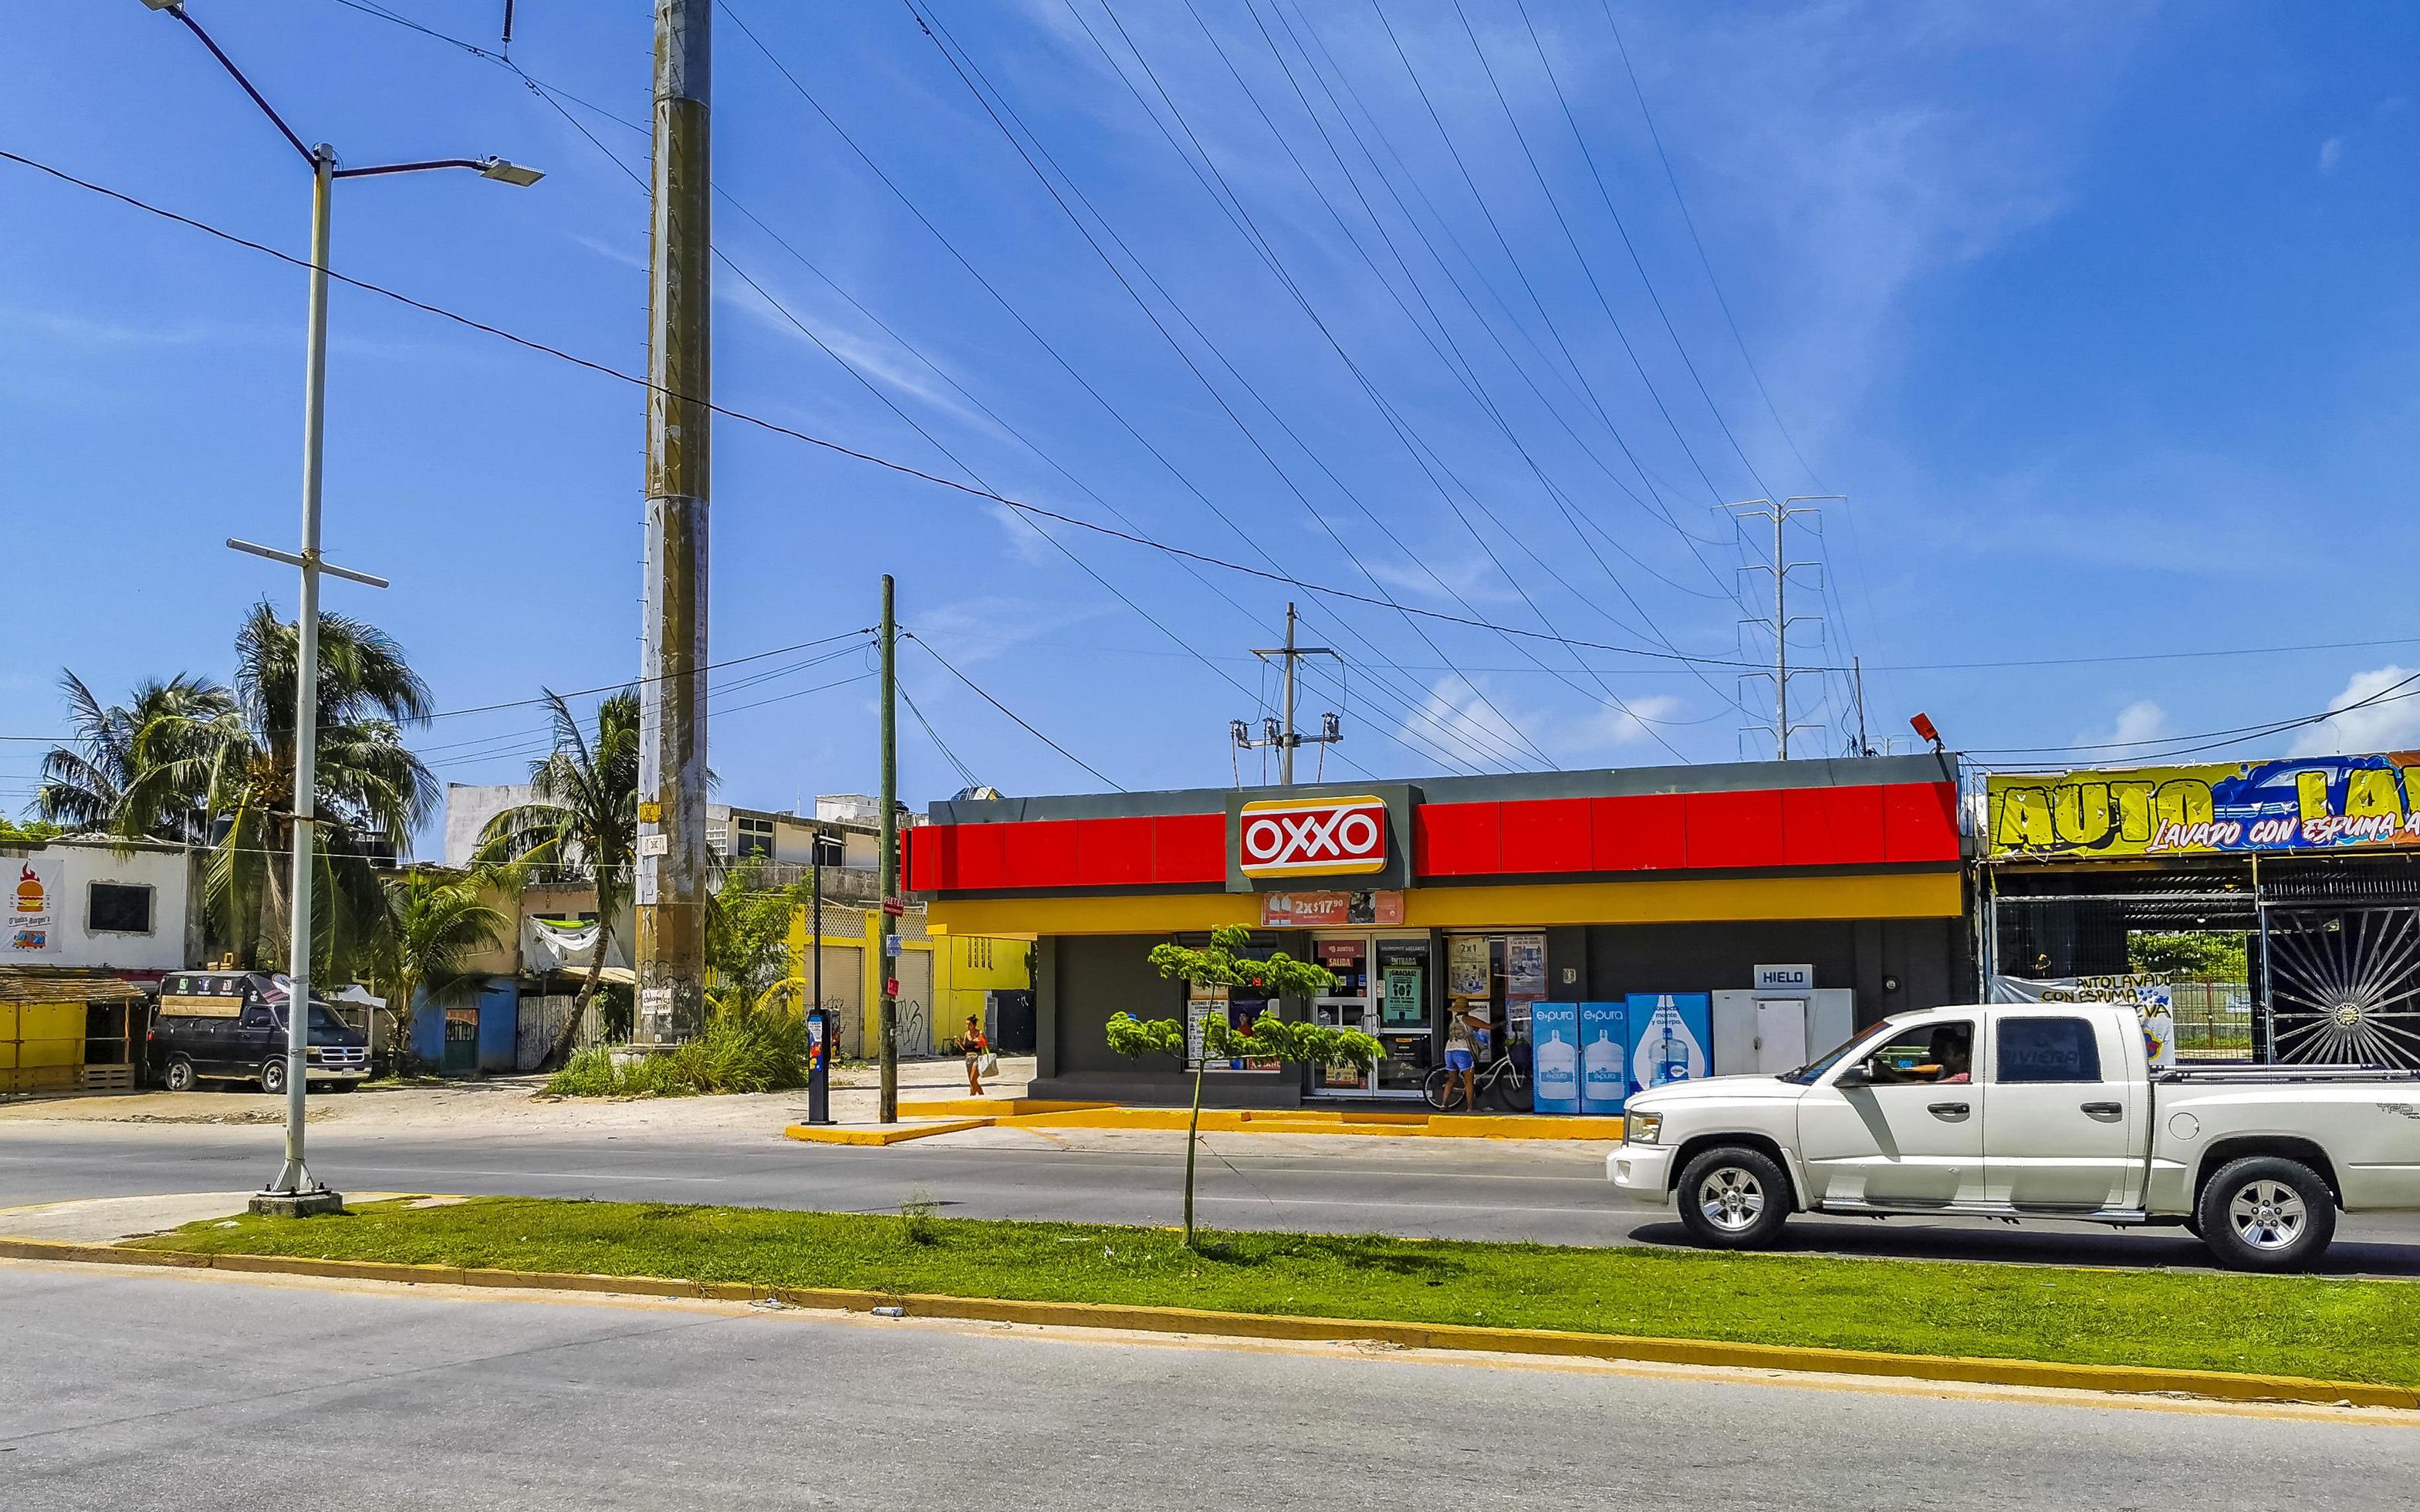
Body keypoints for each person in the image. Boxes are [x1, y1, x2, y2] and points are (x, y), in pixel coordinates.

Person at [1444, 1001, 1489, 1112]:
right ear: (1467, 1010)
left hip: (1449, 1050)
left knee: (1452, 1079)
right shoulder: (1467, 1019)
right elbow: (1488, 1026)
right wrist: (1501, 1023)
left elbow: (1465, 1032)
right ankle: (1470, 1108)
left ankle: (1444, 1104)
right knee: (1469, 1080)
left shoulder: (1453, 1021)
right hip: (1462, 1051)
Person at [963, 1014, 989, 1096]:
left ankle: (982, 1095)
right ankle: (973, 1096)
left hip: (977, 1057)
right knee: (972, 1081)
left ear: (974, 1025)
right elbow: (965, 1048)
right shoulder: (966, 1034)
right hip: (968, 1058)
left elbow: (985, 1045)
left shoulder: (980, 1033)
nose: (968, 1026)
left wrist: (979, 1042)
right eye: (967, 1024)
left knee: (973, 1079)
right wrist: (959, 1043)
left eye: (969, 1024)